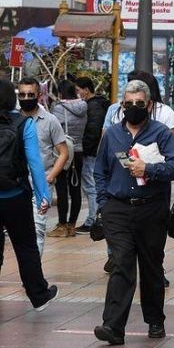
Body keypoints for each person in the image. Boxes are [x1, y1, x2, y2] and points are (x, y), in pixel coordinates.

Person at [93, 80, 174, 345]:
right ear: (122, 106)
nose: (133, 108)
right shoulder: (112, 134)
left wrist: (149, 169)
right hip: (118, 209)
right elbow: (100, 170)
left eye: (139, 103)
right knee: (121, 264)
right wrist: (104, 203)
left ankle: (155, 319)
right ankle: (112, 326)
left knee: (151, 267)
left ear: (148, 105)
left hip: (151, 210)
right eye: (128, 103)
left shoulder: (160, 133)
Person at [0, 80, 58, 324]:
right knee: (25, 247)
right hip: (13, 196)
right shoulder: (23, 124)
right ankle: (39, 296)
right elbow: (35, 163)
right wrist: (43, 196)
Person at [16, 77, 69, 249]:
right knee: (19, 230)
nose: (25, 98)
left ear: (39, 95)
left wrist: (50, 177)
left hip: (40, 184)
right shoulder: (13, 119)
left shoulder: (50, 120)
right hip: (15, 183)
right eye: (22, 94)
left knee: (37, 229)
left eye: (30, 94)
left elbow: (63, 153)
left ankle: (34, 272)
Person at [48, 80, 88, 237]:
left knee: (62, 188)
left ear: (60, 93)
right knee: (75, 187)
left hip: (63, 151)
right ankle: (72, 225)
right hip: (78, 151)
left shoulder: (57, 108)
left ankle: (62, 225)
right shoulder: (83, 107)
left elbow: (53, 129)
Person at [74, 76, 111, 234]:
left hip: (92, 152)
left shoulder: (93, 107)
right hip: (94, 151)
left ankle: (93, 219)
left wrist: (86, 149)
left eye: (78, 90)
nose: (77, 94)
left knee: (91, 186)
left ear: (86, 90)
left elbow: (93, 131)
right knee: (92, 185)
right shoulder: (97, 104)